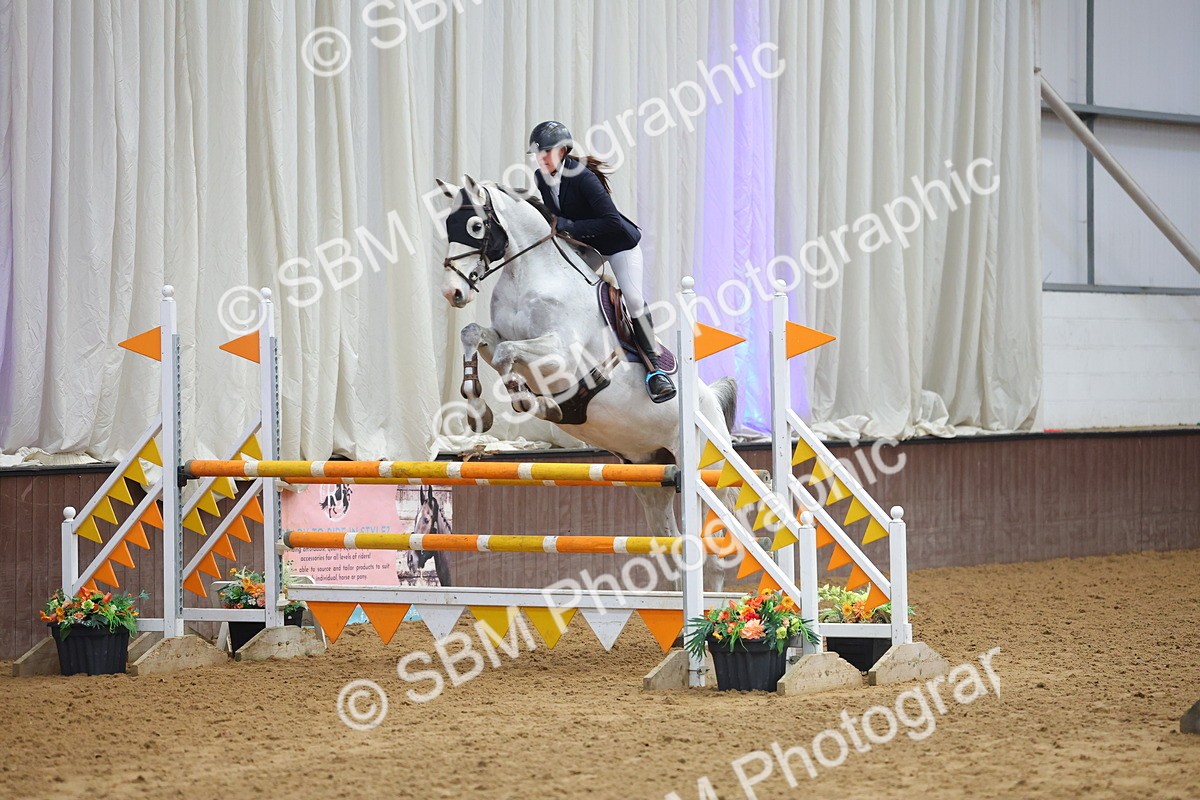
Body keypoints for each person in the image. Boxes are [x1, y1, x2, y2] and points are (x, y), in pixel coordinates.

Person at [527, 120, 676, 403]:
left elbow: (611, 221)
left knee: (633, 299)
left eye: (546, 152)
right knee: (563, 289)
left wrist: (568, 226)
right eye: (538, 153)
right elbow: (554, 214)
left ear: (563, 151)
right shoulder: (540, 177)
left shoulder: (583, 177)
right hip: (589, 247)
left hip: (619, 245)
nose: (541, 158)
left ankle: (655, 370)